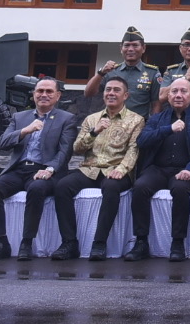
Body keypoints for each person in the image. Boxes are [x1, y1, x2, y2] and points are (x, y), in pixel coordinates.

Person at [0, 76, 77, 261]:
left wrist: (50, 169)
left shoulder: (66, 119)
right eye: (40, 91)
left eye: (49, 91)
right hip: (19, 170)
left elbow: (65, 152)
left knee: (36, 189)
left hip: (45, 171)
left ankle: (26, 243)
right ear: (33, 94)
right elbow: (2, 143)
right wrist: (25, 131)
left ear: (57, 96)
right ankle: (2, 243)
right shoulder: (20, 117)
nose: (44, 95)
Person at [50, 77, 143, 261]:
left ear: (125, 95)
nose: (111, 93)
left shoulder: (136, 120)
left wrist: (122, 169)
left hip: (116, 170)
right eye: (108, 90)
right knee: (62, 186)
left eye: (116, 90)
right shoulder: (92, 119)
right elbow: (77, 149)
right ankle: (69, 243)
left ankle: (99, 243)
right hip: (89, 169)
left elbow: (134, 149)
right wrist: (94, 132)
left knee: (111, 187)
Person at [126, 76, 190, 262]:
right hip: (158, 169)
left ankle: (178, 242)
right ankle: (141, 241)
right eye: (174, 91)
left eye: (183, 91)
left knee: (180, 189)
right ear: (168, 95)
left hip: (185, 170)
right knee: (140, 187)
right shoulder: (158, 118)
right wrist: (168, 129)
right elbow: (142, 141)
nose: (178, 95)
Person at [85, 26, 162, 119]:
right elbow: (88, 93)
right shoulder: (111, 71)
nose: (130, 49)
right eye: (127, 45)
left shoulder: (152, 72)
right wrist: (100, 73)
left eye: (135, 45)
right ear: (121, 48)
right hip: (111, 122)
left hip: (139, 124)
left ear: (143, 48)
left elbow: (156, 103)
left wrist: (152, 124)